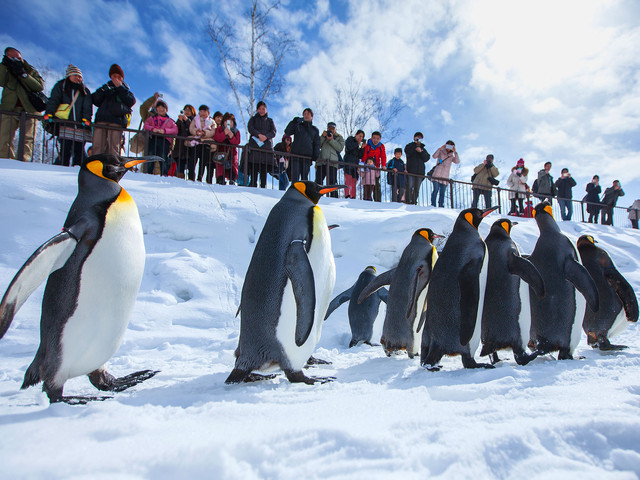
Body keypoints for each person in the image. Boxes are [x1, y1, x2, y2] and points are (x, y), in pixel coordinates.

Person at [0, 47, 44, 161]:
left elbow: (39, 86)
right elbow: (1, 81)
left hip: (29, 109)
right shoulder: (5, 69)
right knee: (5, 136)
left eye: (19, 57)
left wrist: (24, 74)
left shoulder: (31, 71)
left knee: (28, 138)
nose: (17, 60)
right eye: (13, 58)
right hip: (9, 108)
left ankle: (24, 161)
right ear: (7, 57)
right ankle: (5, 160)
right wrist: (4, 65)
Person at [43, 65, 92, 167]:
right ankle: (61, 167)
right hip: (65, 123)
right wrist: (49, 113)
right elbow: (54, 100)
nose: (78, 78)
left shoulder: (84, 91)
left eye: (80, 77)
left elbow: (87, 107)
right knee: (65, 148)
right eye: (75, 75)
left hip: (79, 125)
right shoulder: (61, 86)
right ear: (69, 75)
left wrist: (86, 119)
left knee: (79, 149)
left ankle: (78, 168)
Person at [91, 64, 135, 156]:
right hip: (101, 120)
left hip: (117, 122)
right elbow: (95, 100)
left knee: (114, 147)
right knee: (98, 145)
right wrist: (103, 90)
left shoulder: (125, 90)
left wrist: (120, 88)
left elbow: (131, 101)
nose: (116, 79)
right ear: (110, 77)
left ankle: (112, 167)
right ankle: (95, 166)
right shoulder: (104, 88)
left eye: (119, 77)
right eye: (114, 76)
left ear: (122, 78)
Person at [246, 101, 277, 188]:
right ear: (257, 110)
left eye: (263, 108)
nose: (262, 110)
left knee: (264, 170)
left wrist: (266, 137)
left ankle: (263, 187)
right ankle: (253, 186)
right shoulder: (253, 119)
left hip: (266, 149)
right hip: (255, 147)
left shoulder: (270, 121)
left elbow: (273, 132)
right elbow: (250, 128)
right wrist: (258, 135)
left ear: (266, 110)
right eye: (260, 108)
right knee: (254, 168)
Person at [143, 99, 177, 175]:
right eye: (159, 108)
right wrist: (152, 129)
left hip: (164, 141)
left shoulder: (170, 121)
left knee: (163, 158)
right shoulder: (152, 118)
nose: (160, 109)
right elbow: (146, 125)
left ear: (166, 110)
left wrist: (164, 131)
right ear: (156, 109)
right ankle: (148, 173)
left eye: (163, 108)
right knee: (151, 156)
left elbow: (175, 130)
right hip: (153, 139)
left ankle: (164, 175)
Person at [285, 107, 319, 182]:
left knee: (304, 179)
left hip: (307, 157)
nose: (306, 115)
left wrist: (315, 155)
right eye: (304, 114)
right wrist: (293, 122)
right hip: (295, 155)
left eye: (308, 114)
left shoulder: (315, 130)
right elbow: (287, 132)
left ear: (312, 116)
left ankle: (303, 194)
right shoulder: (298, 126)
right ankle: (293, 193)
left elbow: (316, 143)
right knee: (295, 177)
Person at [316, 121, 344, 197]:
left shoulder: (339, 137)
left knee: (332, 181)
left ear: (335, 129)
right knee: (318, 180)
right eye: (329, 128)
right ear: (327, 128)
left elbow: (340, 148)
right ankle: (317, 196)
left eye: (332, 128)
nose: (331, 130)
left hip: (333, 162)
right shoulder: (323, 136)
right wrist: (322, 136)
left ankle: (334, 197)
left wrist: (331, 139)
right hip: (321, 161)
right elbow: (318, 145)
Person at [213, 112, 241, 185]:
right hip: (221, 151)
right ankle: (220, 179)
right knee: (220, 166)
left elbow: (237, 141)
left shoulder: (236, 131)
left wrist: (231, 136)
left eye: (231, 121)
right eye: (226, 121)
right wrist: (224, 133)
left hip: (232, 153)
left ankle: (232, 180)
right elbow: (217, 138)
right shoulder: (219, 129)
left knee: (232, 166)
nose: (228, 123)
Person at [430, 140, 459, 207]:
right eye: (448, 145)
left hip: (445, 177)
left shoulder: (452, 156)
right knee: (435, 190)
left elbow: (457, 161)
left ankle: (441, 206)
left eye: (451, 146)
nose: (449, 147)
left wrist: (455, 152)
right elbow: (434, 156)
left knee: (442, 193)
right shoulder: (441, 152)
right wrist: (440, 148)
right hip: (437, 174)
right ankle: (433, 205)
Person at [189, 105, 214, 182]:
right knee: (193, 160)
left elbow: (213, 131)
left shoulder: (211, 121)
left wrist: (204, 133)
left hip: (206, 142)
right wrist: (196, 132)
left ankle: (200, 177)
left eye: (204, 111)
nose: (202, 113)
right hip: (196, 142)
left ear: (208, 112)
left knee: (203, 162)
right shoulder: (195, 119)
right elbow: (191, 128)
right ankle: (191, 176)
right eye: (201, 111)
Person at [404, 132, 430, 205]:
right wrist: (415, 148)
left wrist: (421, 151)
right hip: (411, 170)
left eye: (420, 138)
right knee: (409, 186)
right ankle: (408, 201)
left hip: (420, 172)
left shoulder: (423, 149)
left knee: (417, 188)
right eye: (417, 137)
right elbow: (408, 153)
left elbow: (427, 158)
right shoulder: (409, 146)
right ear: (414, 138)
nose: (418, 139)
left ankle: (414, 201)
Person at [361, 131, 386, 202]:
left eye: (377, 138)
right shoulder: (368, 145)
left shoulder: (381, 146)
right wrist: (363, 165)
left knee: (376, 184)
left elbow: (383, 156)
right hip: (368, 167)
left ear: (380, 139)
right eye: (374, 138)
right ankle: (367, 198)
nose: (376, 140)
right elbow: (365, 155)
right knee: (367, 184)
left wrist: (384, 165)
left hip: (376, 168)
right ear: (371, 138)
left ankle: (377, 200)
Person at [172, 104, 195, 180]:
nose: (187, 112)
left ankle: (191, 180)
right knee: (180, 165)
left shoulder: (194, 120)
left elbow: (191, 130)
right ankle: (180, 180)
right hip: (180, 146)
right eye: (185, 110)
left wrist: (187, 120)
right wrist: (179, 120)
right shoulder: (180, 120)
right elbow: (176, 130)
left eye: (189, 110)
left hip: (190, 146)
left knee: (191, 165)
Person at [343, 130, 364, 199]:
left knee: (354, 181)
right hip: (348, 162)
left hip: (355, 165)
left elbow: (360, 155)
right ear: (356, 135)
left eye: (362, 137)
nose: (360, 138)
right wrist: (357, 144)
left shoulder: (358, 146)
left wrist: (362, 148)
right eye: (359, 136)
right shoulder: (350, 139)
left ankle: (353, 196)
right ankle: (346, 195)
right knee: (347, 180)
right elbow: (349, 148)